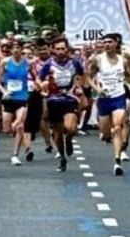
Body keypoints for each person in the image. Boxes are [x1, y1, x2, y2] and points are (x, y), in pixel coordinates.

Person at [87, 33, 130, 176]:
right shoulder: (98, 60)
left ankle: (117, 161)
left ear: (116, 43)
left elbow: (128, 76)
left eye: (110, 42)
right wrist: (98, 89)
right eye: (105, 42)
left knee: (117, 127)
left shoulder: (123, 60)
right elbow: (89, 78)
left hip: (119, 97)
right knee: (105, 133)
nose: (107, 44)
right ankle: (105, 135)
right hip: (104, 99)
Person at [39, 37, 82, 172]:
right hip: (54, 101)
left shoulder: (74, 62)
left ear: (67, 48)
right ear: (53, 49)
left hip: (70, 98)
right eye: (58, 49)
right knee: (57, 132)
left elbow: (82, 75)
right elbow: (40, 80)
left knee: (70, 127)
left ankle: (69, 139)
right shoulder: (48, 64)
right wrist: (43, 87)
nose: (61, 51)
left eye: (63, 48)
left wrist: (79, 86)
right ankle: (62, 157)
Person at [0, 40, 30, 166]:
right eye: (13, 48)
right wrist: (4, 91)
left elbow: (34, 76)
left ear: (21, 49)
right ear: (10, 50)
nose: (16, 50)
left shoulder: (28, 63)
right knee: (7, 129)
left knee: (19, 126)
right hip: (9, 98)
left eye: (18, 47)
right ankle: (15, 132)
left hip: (22, 97)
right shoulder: (5, 62)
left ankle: (15, 155)